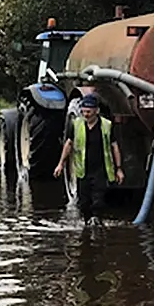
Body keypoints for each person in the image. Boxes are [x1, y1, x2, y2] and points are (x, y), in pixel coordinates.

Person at [54, 94, 125, 222]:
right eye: (84, 111)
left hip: (100, 170)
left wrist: (119, 169)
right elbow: (69, 144)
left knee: (98, 201)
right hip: (82, 171)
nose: (86, 114)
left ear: (96, 111)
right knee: (84, 203)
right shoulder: (76, 125)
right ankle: (87, 225)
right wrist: (61, 164)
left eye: (89, 112)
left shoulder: (107, 125)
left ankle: (97, 227)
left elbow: (114, 146)